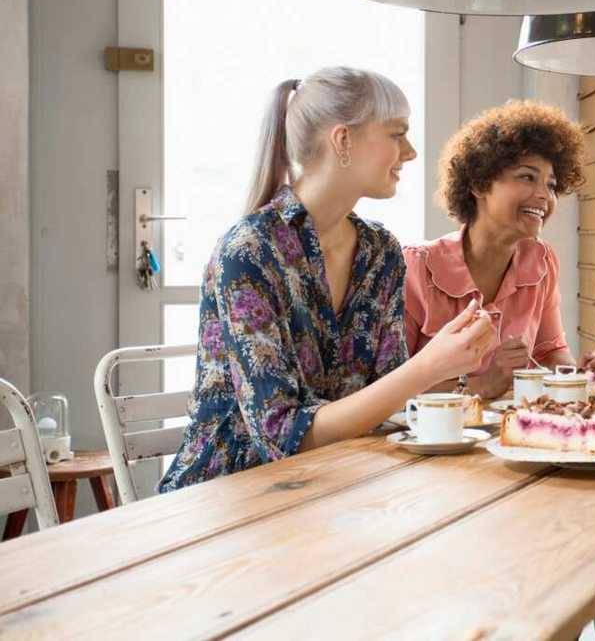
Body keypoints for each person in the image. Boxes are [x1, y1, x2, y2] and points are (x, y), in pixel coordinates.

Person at [159, 67, 496, 492]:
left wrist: (455, 368)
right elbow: (283, 437)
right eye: (396, 133)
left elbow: (385, 399)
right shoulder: (248, 253)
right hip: (230, 495)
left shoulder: (381, 252)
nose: (410, 152)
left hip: (336, 485)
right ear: (344, 140)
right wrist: (429, 367)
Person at [404, 100, 595, 399]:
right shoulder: (417, 266)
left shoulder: (541, 261)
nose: (544, 195)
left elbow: (550, 352)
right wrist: (480, 385)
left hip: (511, 433)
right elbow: (387, 389)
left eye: (552, 185)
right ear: (478, 184)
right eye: (527, 177)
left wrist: (584, 375)